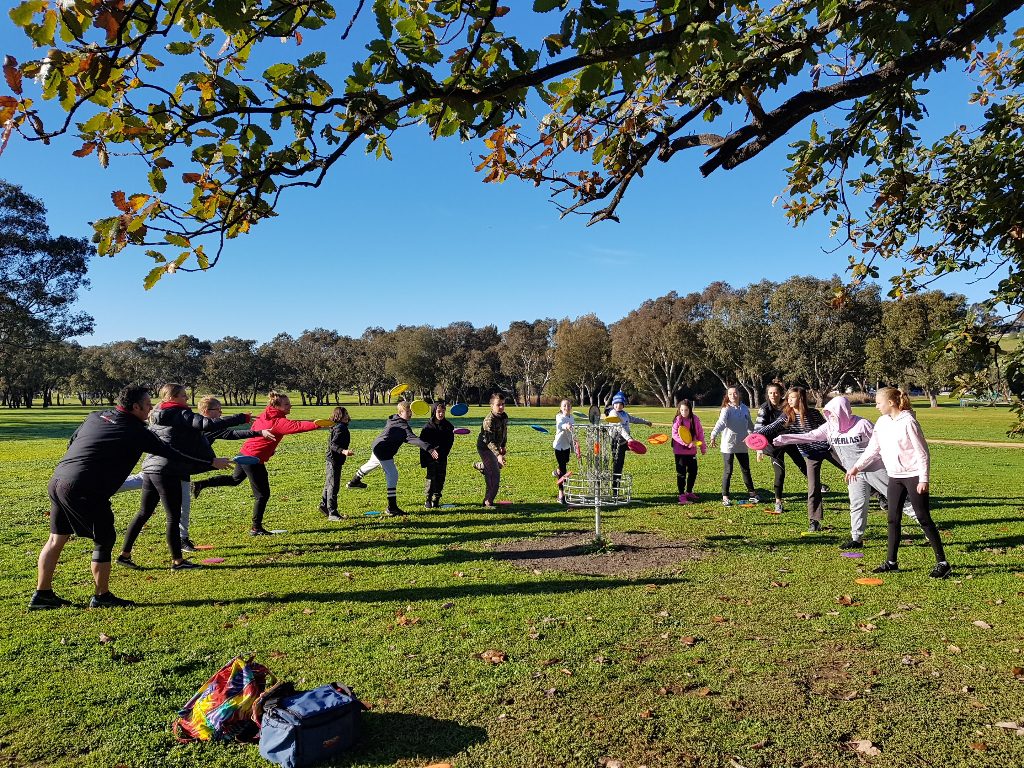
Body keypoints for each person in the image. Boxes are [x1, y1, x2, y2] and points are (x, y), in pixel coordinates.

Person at [30, 384, 231, 610]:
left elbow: (73, 440)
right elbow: (171, 453)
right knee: (104, 539)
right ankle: (102, 596)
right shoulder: (136, 431)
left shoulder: (97, 415)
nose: (150, 409)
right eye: (146, 405)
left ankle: (42, 595)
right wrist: (210, 462)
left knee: (57, 538)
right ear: (135, 407)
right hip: (86, 487)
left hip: (58, 480)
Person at [117, 384, 257, 571]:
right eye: (183, 395)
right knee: (172, 518)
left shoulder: (157, 413)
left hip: (151, 466)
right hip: (168, 469)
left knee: (144, 513)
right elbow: (207, 424)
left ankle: (124, 555)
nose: (186, 399)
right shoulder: (179, 413)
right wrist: (241, 418)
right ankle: (178, 562)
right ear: (171, 397)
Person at [773, 395, 918, 549]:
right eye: (828, 414)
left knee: (899, 499)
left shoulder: (862, 424)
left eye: (833, 413)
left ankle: (924, 524)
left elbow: (881, 443)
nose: (831, 417)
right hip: (853, 474)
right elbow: (811, 436)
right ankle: (856, 539)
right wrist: (786, 438)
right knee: (857, 504)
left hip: (875, 469)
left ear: (843, 411)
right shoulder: (829, 426)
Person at [847, 387, 951, 578]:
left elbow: (922, 452)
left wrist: (923, 478)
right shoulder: (882, 422)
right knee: (893, 518)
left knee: (923, 517)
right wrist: (856, 467)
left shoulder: (908, 422)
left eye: (879, 403)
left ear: (891, 403)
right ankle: (891, 562)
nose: (876, 406)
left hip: (913, 476)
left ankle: (943, 562)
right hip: (894, 476)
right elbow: (873, 449)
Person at [191, 391, 322, 536]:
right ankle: (256, 528)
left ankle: (200, 484)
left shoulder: (264, 415)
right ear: (276, 406)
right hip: (253, 459)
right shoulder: (278, 421)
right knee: (262, 495)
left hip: (244, 454)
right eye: (286, 404)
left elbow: (256, 433)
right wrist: (316, 424)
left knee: (235, 480)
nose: (290, 405)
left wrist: (269, 450)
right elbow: (297, 426)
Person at [754, 386, 837, 532]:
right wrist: (754, 436)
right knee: (813, 487)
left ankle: (880, 495)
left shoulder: (813, 413)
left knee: (853, 469)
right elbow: (770, 427)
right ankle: (814, 521)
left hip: (827, 449)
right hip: (809, 454)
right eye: (788, 397)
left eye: (792, 397)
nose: (788, 400)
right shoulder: (786, 415)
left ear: (801, 399)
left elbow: (829, 428)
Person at [347, 400, 437, 515]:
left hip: (377, 446)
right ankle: (392, 507)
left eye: (411, 411)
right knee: (393, 474)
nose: (410, 413)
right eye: (407, 411)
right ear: (400, 413)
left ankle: (354, 481)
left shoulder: (393, 419)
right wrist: (429, 448)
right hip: (383, 451)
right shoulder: (402, 426)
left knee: (371, 464)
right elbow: (413, 439)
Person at [755, 382, 809, 514]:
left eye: (776, 393)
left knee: (802, 463)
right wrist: (759, 449)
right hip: (773, 446)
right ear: (767, 395)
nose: (773, 395)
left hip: (788, 440)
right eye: (770, 393)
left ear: (781, 394)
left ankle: (817, 485)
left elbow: (799, 413)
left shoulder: (787, 404)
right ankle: (778, 501)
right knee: (780, 473)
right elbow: (758, 430)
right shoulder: (764, 409)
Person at [708, 386, 758, 506]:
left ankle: (752, 494)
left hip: (742, 444)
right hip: (728, 445)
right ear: (727, 396)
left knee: (746, 470)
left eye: (735, 393)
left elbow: (750, 425)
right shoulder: (726, 409)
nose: (733, 396)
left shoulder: (745, 408)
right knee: (728, 471)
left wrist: (756, 436)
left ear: (739, 394)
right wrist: (713, 434)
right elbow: (721, 422)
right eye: (730, 394)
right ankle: (725, 497)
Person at [607, 391, 652, 496]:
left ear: (623, 404)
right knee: (617, 465)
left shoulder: (624, 413)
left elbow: (634, 419)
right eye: (616, 403)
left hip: (625, 442)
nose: (618, 405)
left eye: (621, 403)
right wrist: (629, 439)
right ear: (613, 404)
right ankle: (615, 491)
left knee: (620, 464)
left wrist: (645, 422)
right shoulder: (613, 413)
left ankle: (616, 488)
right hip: (616, 442)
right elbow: (619, 427)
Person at [320, 406, 355, 521]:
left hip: (333, 460)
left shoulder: (338, 426)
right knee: (333, 487)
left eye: (347, 414)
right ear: (338, 416)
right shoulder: (340, 428)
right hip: (334, 460)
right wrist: (344, 451)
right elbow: (333, 445)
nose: (347, 416)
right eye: (344, 414)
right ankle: (332, 513)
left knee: (329, 484)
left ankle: (324, 505)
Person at [474, 393, 508, 507]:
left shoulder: (504, 416)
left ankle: (483, 467)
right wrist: (498, 455)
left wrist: (503, 446)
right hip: (485, 448)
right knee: (495, 475)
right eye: (498, 405)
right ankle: (488, 501)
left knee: (493, 469)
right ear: (491, 406)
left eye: (503, 404)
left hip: (495, 447)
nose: (502, 407)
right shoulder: (489, 421)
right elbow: (489, 442)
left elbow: (504, 432)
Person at [420, 401, 455, 509]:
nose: (441, 414)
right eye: (439, 411)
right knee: (431, 479)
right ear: (434, 412)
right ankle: (428, 499)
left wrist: (442, 453)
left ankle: (436, 499)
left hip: (442, 457)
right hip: (430, 458)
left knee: (441, 479)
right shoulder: (427, 428)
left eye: (443, 412)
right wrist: (426, 458)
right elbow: (423, 444)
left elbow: (449, 443)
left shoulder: (448, 427)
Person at [672, 399, 706, 504]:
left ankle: (689, 492)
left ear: (690, 410)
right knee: (681, 473)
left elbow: (700, 433)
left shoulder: (695, 419)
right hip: (680, 452)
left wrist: (702, 447)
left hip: (692, 452)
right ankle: (681, 494)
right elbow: (675, 435)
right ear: (679, 410)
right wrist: (686, 443)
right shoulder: (678, 420)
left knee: (693, 472)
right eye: (681, 410)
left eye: (686, 410)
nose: (684, 412)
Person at [552, 399, 576, 505]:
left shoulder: (572, 418)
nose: (567, 407)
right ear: (561, 408)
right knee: (563, 470)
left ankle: (556, 471)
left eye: (569, 405)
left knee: (564, 464)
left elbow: (571, 435)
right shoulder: (559, 417)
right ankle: (561, 494)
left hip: (566, 447)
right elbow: (560, 425)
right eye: (564, 405)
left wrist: (573, 447)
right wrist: (566, 426)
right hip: (559, 447)